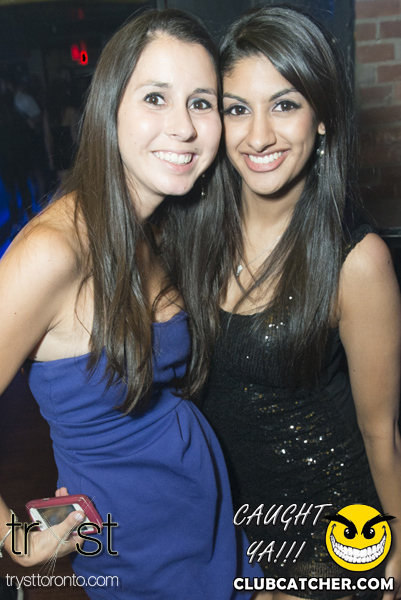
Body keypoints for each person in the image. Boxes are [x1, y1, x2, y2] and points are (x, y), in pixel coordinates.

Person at [0, 9, 257, 599]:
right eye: (155, 97)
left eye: (201, 102)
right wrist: (19, 541)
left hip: (205, 516)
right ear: (109, 108)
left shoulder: (161, 223)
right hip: (135, 548)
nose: (183, 127)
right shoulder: (53, 252)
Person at [200, 5, 401, 600]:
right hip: (234, 529)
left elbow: (381, 430)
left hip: (331, 536)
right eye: (238, 109)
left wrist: (398, 543)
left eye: (284, 105)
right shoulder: (193, 235)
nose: (259, 135)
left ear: (322, 118)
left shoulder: (356, 261)